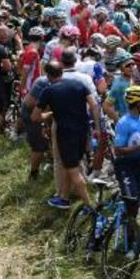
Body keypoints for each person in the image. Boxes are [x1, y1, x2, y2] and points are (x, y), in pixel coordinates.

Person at [32, 60, 102, 210]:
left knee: (73, 170)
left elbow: (35, 117)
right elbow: (94, 105)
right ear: (62, 71)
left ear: (47, 75)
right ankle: (63, 198)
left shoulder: (48, 91)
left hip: (66, 134)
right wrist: (97, 127)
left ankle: (89, 207)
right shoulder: (79, 85)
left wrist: (50, 113)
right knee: (68, 164)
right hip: (83, 131)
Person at [112, 86, 140, 258]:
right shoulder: (124, 123)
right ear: (138, 104)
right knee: (132, 203)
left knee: (136, 202)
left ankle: (130, 235)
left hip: (138, 164)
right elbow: (118, 150)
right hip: (124, 165)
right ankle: (129, 244)